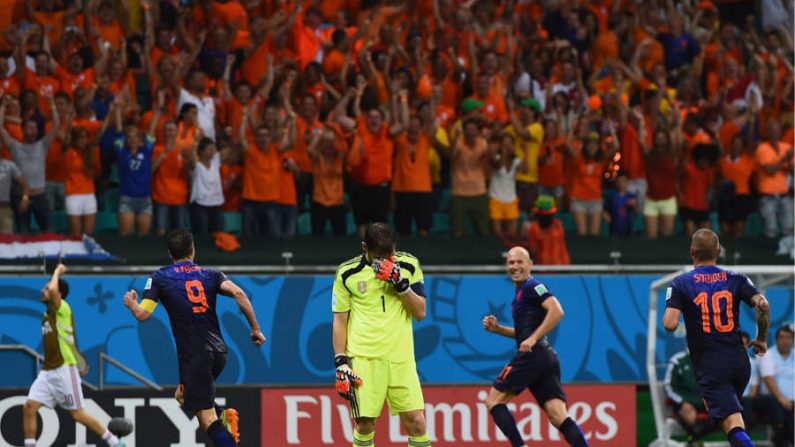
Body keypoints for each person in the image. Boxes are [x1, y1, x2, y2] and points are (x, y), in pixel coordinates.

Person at [123, 229, 266, 446]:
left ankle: (222, 421)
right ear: (193, 250)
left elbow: (143, 314)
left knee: (207, 419)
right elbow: (239, 293)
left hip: (195, 355)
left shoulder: (159, 277)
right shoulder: (211, 275)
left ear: (170, 253)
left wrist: (132, 304)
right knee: (182, 396)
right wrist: (255, 329)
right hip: (219, 352)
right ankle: (223, 415)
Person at [663, 229, 771, 447]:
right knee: (728, 420)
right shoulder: (737, 278)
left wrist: (683, 319)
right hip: (740, 363)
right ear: (719, 251)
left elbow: (669, 323)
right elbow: (763, 305)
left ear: (692, 251)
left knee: (732, 423)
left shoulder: (681, 283)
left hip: (712, 365)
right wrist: (761, 338)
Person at [332, 222, 431, 447]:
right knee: (365, 424)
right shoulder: (347, 273)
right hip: (364, 358)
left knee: (416, 422)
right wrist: (341, 363)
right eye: (380, 256)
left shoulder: (408, 265)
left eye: (390, 254)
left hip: (401, 358)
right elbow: (340, 319)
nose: (387, 261)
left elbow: (420, 312)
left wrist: (401, 285)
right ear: (364, 247)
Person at [481, 246, 588, 446]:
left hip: (534, 355)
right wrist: (498, 329)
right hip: (545, 357)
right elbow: (523, 333)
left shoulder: (533, 286)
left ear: (530, 264)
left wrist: (532, 339)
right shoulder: (521, 293)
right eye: (511, 262)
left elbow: (557, 311)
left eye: (520, 261)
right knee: (558, 415)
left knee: (493, 401)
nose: (515, 266)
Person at [23, 264, 127, 447]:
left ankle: (114, 442)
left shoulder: (63, 308)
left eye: (46, 288)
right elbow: (68, 341)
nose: (43, 290)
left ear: (58, 295)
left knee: (77, 414)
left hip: (64, 369)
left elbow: (54, 288)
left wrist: (56, 272)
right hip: (47, 372)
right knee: (29, 407)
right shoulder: (47, 315)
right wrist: (80, 359)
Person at [0, 95, 59, 233]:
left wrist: (52, 104)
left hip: (41, 196)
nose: (34, 132)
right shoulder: (15, 146)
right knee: (23, 233)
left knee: (48, 231)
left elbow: (56, 125)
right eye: (30, 128)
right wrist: (3, 106)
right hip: (22, 196)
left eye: (35, 129)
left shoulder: (42, 145)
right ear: (23, 130)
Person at [664, 348, 715, 442]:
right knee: (689, 414)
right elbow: (668, 386)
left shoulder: (710, 359)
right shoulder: (678, 360)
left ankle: (694, 439)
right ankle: (695, 439)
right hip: (685, 402)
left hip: (704, 401)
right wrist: (682, 401)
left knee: (721, 413)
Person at [757, 324, 794, 446]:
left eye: (788, 337)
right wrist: (781, 398)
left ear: (792, 339)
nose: (785, 341)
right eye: (782, 337)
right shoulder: (768, 355)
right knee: (783, 409)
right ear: (777, 339)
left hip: (792, 403)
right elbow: (768, 378)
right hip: (775, 401)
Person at [0, 156, 29, 234]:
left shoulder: (9, 165)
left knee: (7, 241)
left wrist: (25, 199)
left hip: (4, 208)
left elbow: (24, 184)